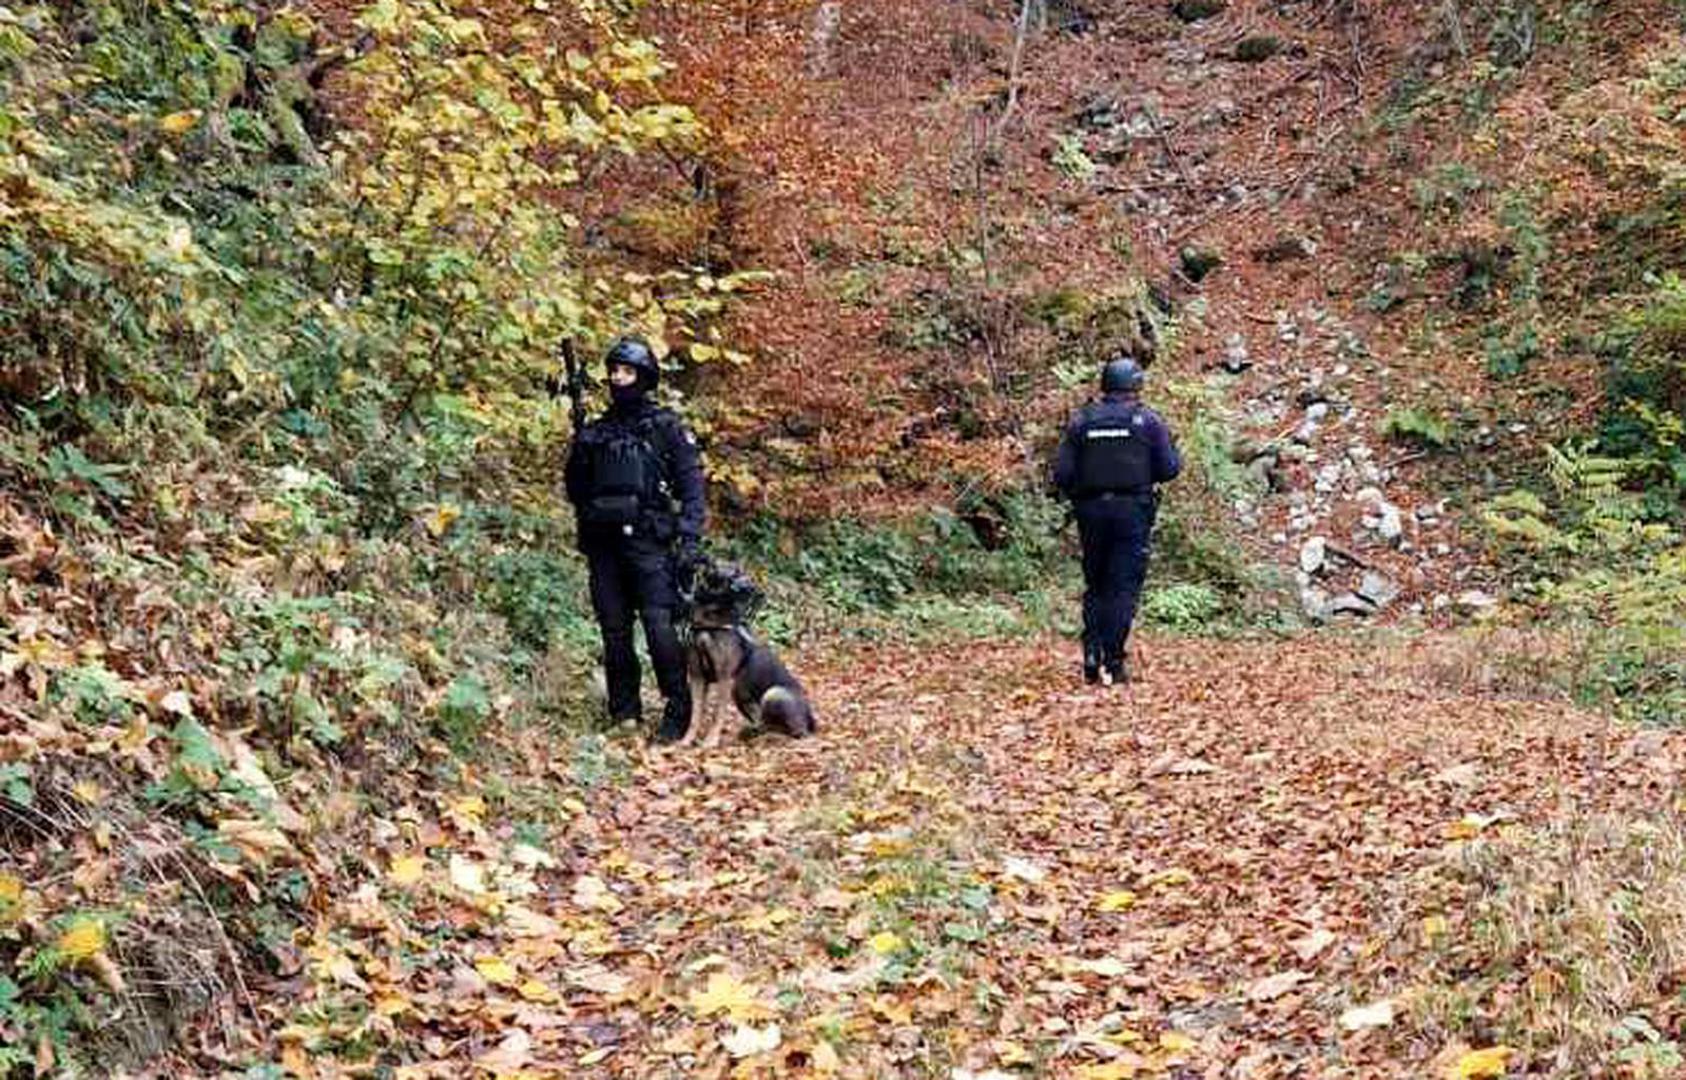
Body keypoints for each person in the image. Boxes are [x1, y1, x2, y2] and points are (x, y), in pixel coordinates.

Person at [564, 336, 705, 742]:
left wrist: (690, 538)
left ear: (644, 377)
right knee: (614, 631)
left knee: (661, 628)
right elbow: (576, 490)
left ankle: (678, 710)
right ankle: (625, 712)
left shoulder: (666, 428)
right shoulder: (595, 432)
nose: (617, 379)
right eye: (614, 371)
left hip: (651, 545)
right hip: (603, 547)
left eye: (627, 372)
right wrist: (580, 451)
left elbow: (691, 487)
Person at [1052, 354, 1181, 686]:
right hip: (1133, 512)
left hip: (1090, 512)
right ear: (1136, 385)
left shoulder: (1082, 422)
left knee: (1096, 583)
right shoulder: (1147, 422)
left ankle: (1092, 652)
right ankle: (1114, 659)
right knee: (1123, 585)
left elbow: (1062, 473)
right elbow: (1169, 469)